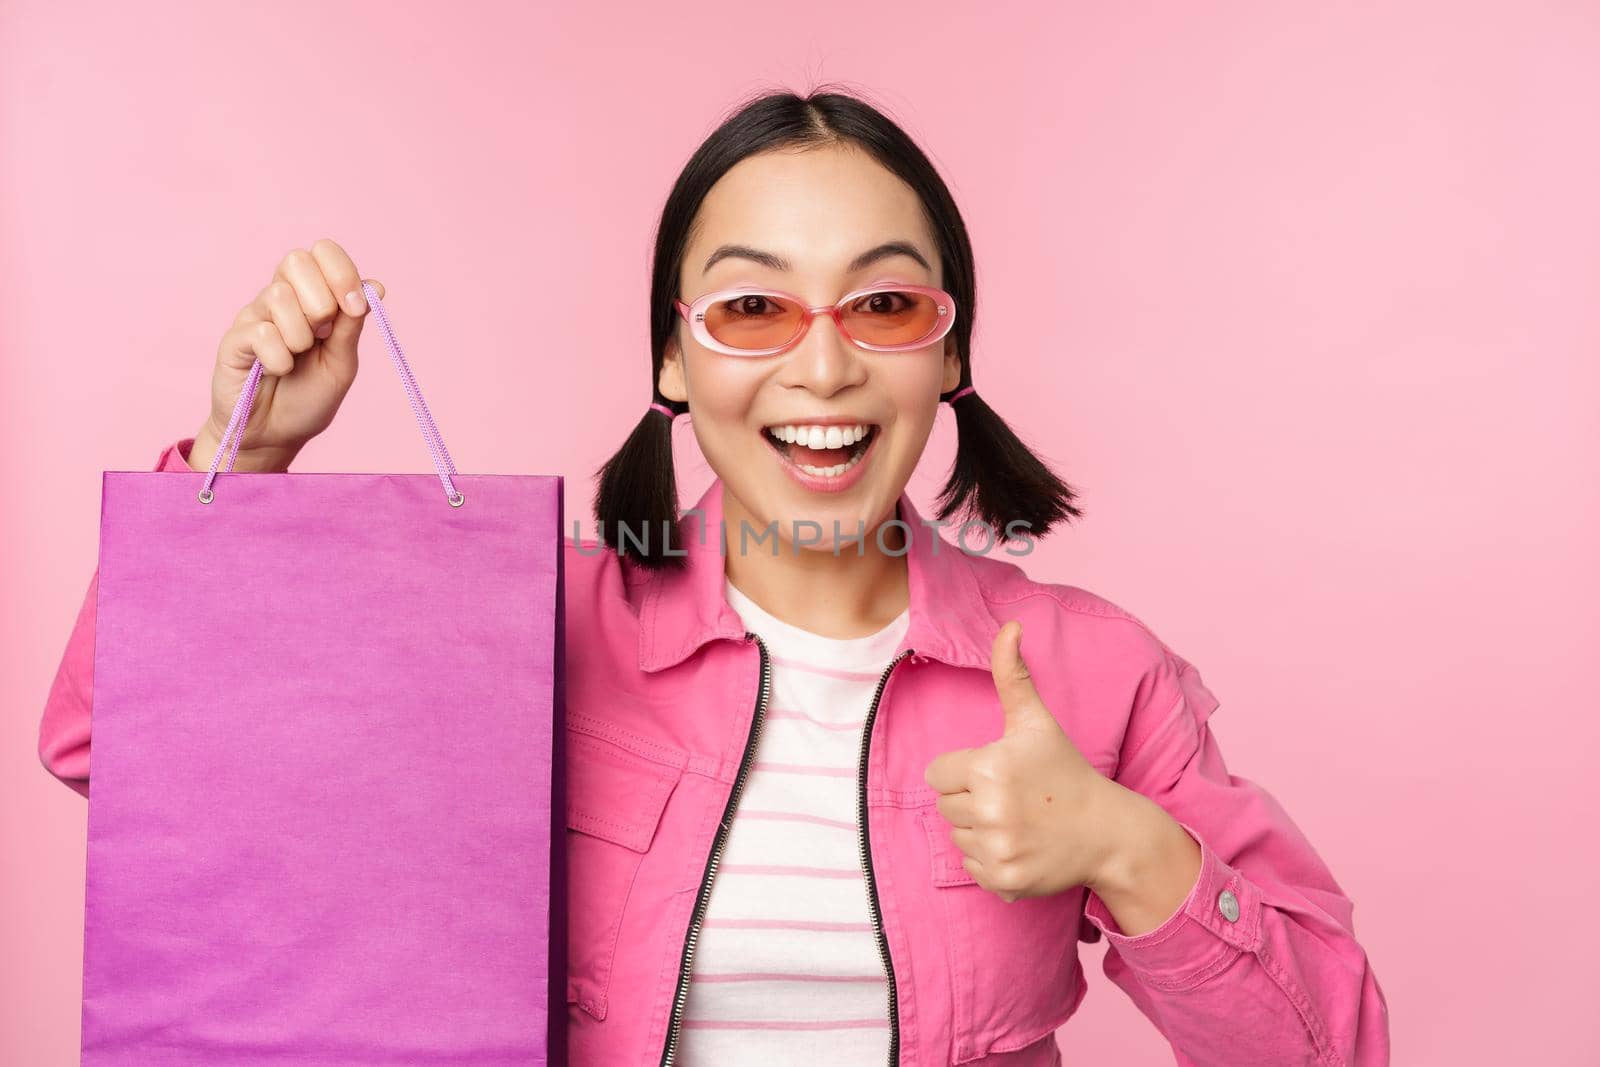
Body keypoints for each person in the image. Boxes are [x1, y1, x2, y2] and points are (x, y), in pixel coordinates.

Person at [38, 88, 1390, 1065]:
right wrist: (249, 463)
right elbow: (124, 759)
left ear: (948, 350)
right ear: (674, 361)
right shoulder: (530, 624)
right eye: (752, 308)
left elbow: (1332, 1047)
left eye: (884, 304)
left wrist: (1124, 846)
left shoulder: (1089, 670)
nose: (822, 367)